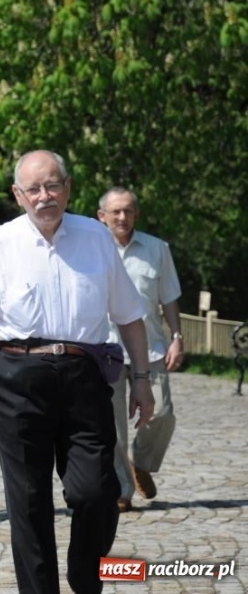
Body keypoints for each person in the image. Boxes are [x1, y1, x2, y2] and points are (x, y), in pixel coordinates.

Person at [0, 150, 154, 594]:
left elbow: (130, 315)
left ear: (69, 187)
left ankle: (86, 575)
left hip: (86, 376)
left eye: (53, 185)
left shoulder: (96, 238)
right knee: (28, 501)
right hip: (17, 377)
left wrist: (142, 380)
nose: (45, 196)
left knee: (97, 491)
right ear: (18, 195)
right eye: (34, 189)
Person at [98, 187, 183, 512]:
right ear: (101, 216)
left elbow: (170, 296)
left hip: (150, 346)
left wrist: (177, 335)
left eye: (128, 211)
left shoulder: (157, 248)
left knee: (162, 412)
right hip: (107, 348)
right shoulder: (94, 249)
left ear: (136, 214)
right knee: (114, 424)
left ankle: (142, 462)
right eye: (116, 211)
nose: (122, 217)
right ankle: (121, 490)